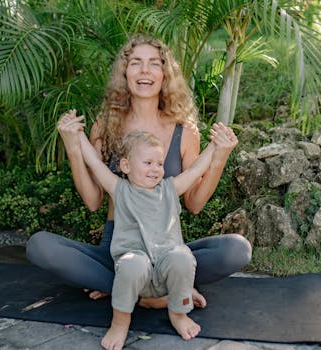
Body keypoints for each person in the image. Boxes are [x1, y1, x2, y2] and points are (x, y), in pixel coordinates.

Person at [26, 34, 251, 312]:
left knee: (236, 250)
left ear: (165, 74)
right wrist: (74, 148)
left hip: (166, 247)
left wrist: (219, 158)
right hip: (119, 248)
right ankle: (148, 291)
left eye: (154, 64)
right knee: (40, 246)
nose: (145, 71)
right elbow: (94, 201)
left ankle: (124, 286)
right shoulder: (105, 125)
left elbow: (194, 203)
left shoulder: (184, 130)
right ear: (125, 72)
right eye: (136, 63)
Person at [70, 127, 216, 349]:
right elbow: (95, 164)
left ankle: (178, 314)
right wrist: (78, 134)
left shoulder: (169, 189)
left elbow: (196, 170)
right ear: (126, 166)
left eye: (159, 164)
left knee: (182, 257)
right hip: (135, 272)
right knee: (132, 264)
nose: (156, 169)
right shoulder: (120, 190)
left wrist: (216, 145)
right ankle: (120, 323)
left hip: (165, 272)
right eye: (148, 163)